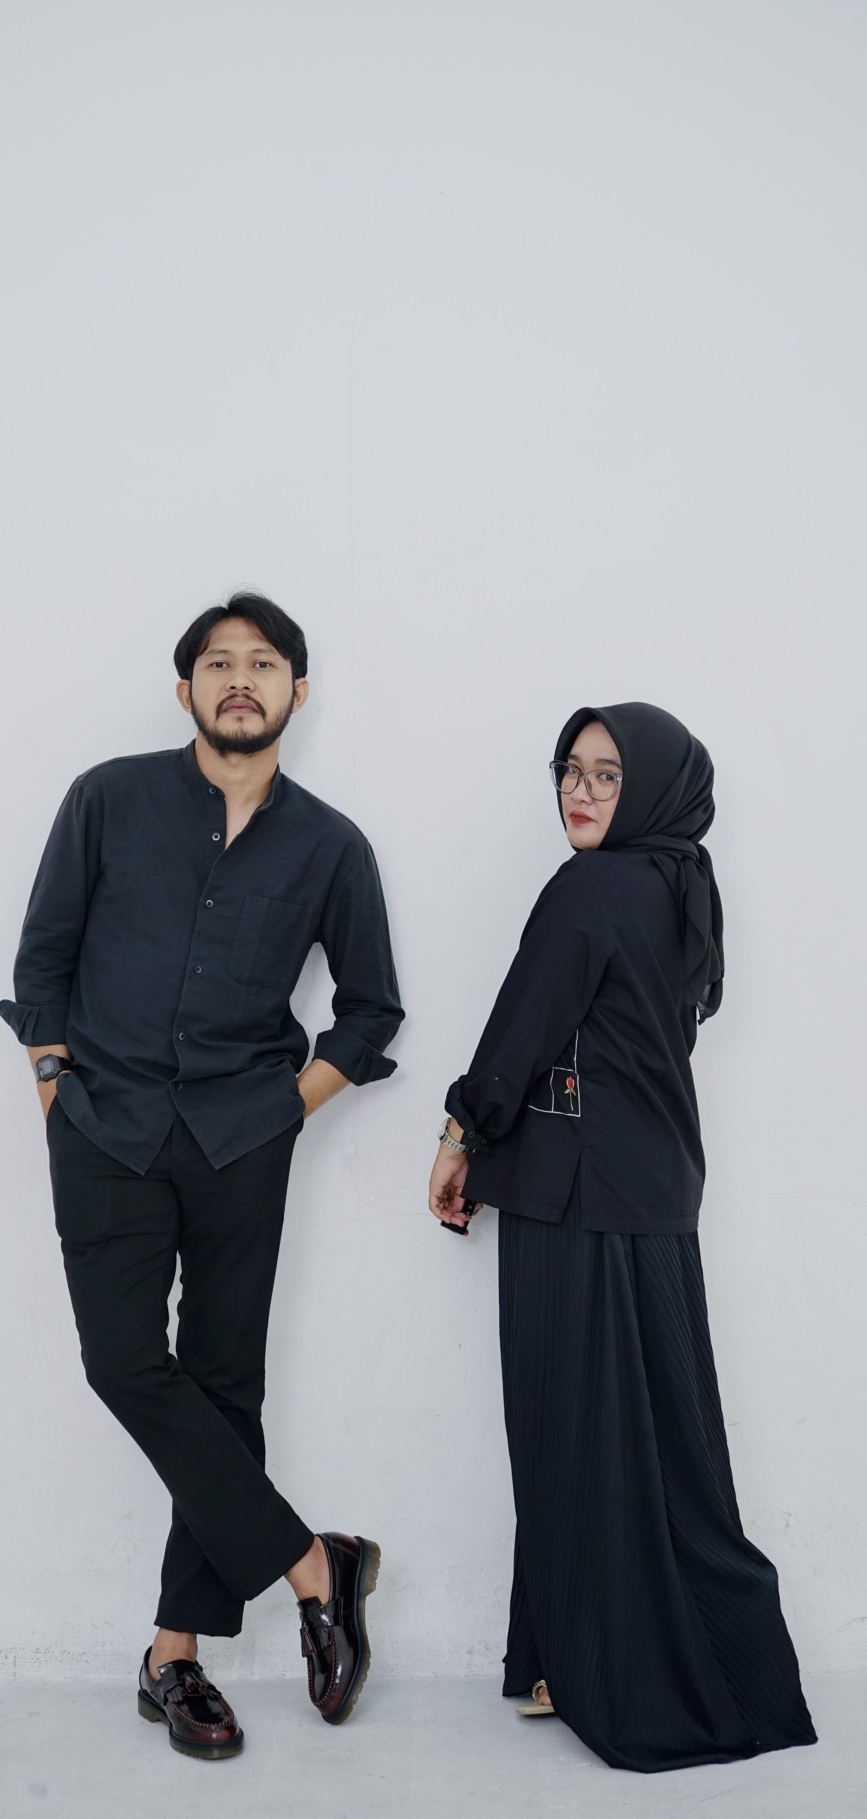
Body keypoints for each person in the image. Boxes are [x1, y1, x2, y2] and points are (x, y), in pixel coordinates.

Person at [0, 593, 401, 1760]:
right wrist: (55, 1093)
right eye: (218, 663)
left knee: (224, 1386)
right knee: (123, 1362)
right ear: (185, 689)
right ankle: (316, 1565)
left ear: (295, 691)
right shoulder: (107, 799)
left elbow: (370, 1010)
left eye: (262, 663)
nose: (239, 680)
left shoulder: (332, 845)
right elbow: (43, 960)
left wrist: (284, 1108)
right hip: (105, 1129)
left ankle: (173, 1658)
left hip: (241, 1143)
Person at [428, 702, 817, 1773]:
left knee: (573, 1433)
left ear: (649, 788)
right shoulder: (679, 885)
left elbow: (521, 1031)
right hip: (651, 1192)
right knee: (655, 1441)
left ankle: (612, 1668)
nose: (580, 790)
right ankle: (577, 1657)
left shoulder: (590, 888)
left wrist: (460, 1132)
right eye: (571, 768)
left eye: (607, 773)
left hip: (577, 1196)